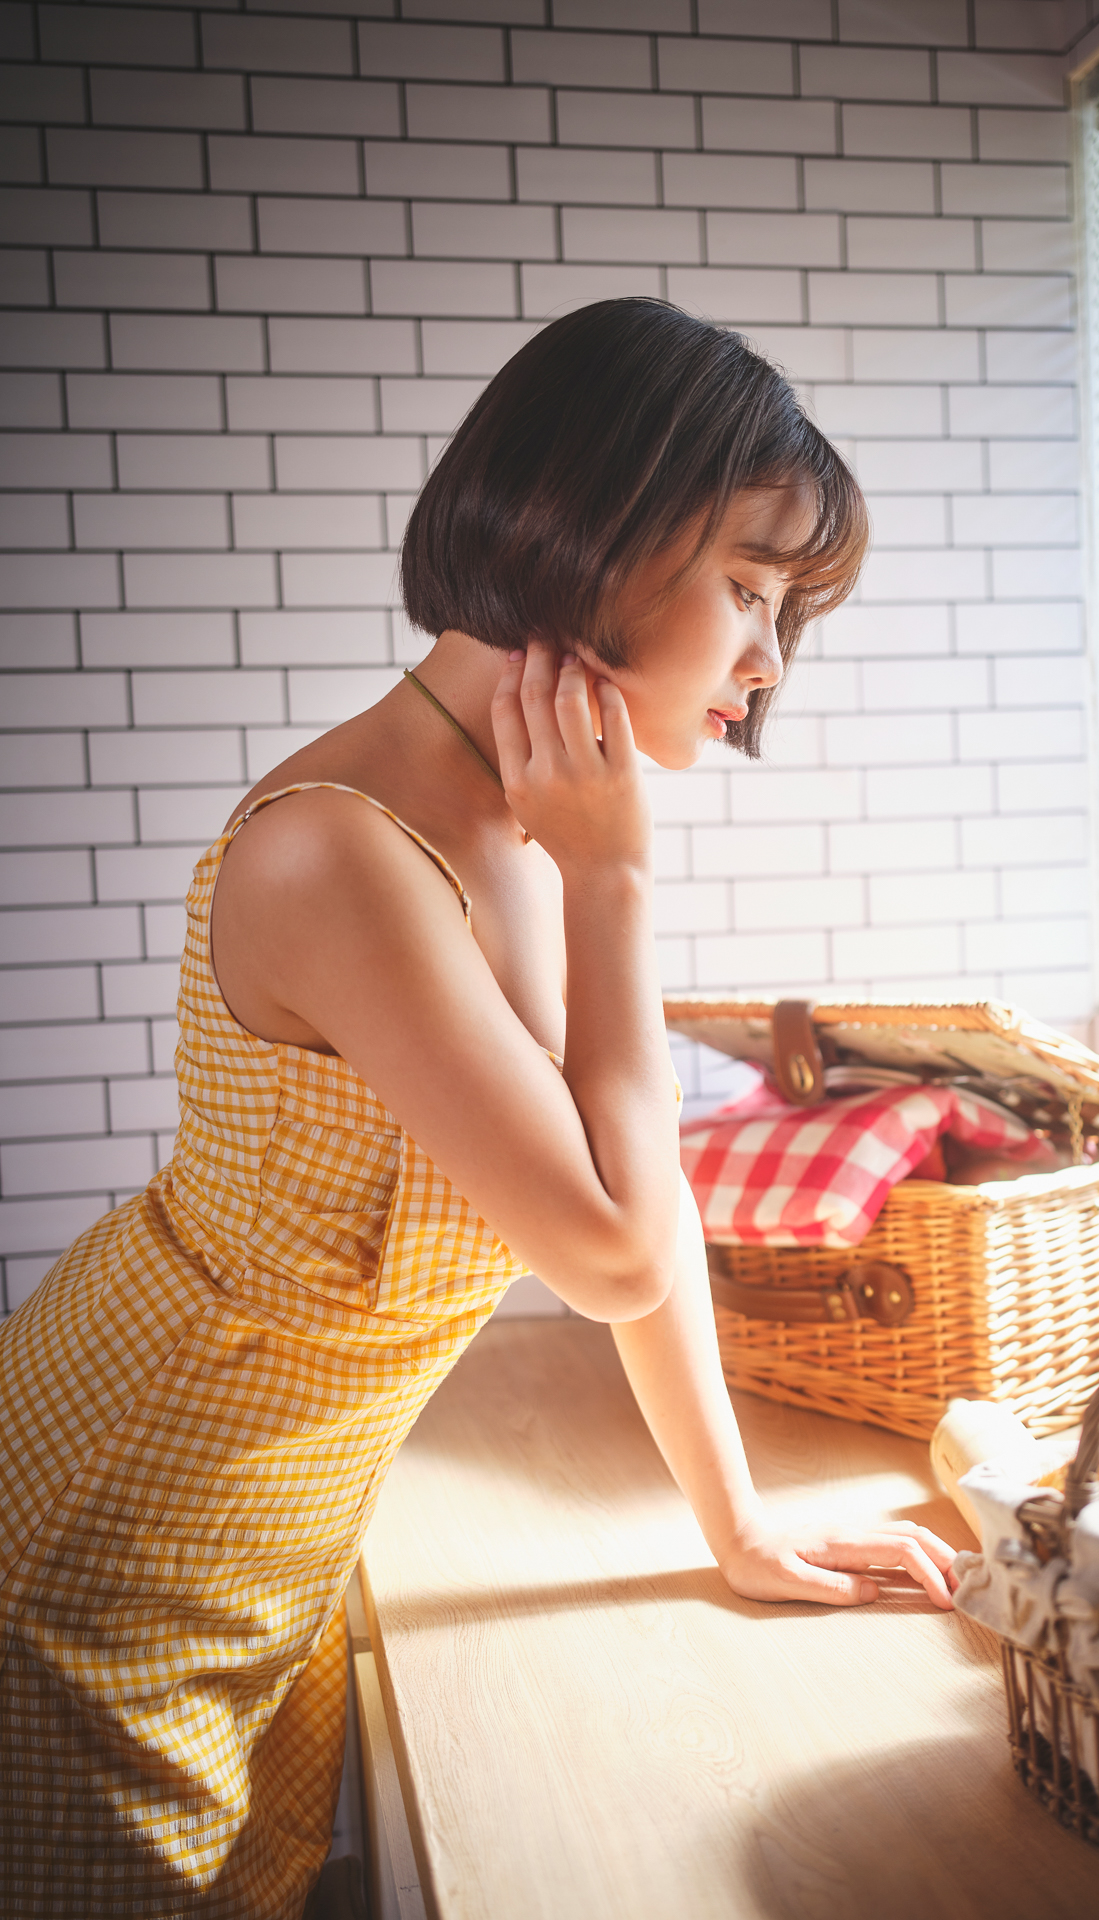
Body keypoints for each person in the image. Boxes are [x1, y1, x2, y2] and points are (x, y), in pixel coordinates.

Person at [0, 298, 956, 1919]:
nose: (766, 662)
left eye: (789, 609)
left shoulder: (520, 827)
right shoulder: (344, 851)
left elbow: (623, 1203)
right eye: (748, 585)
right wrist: (619, 878)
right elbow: (607, 1256)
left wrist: (738, 1528)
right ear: (600, 527)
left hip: (276, 1539)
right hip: (118, 1536)